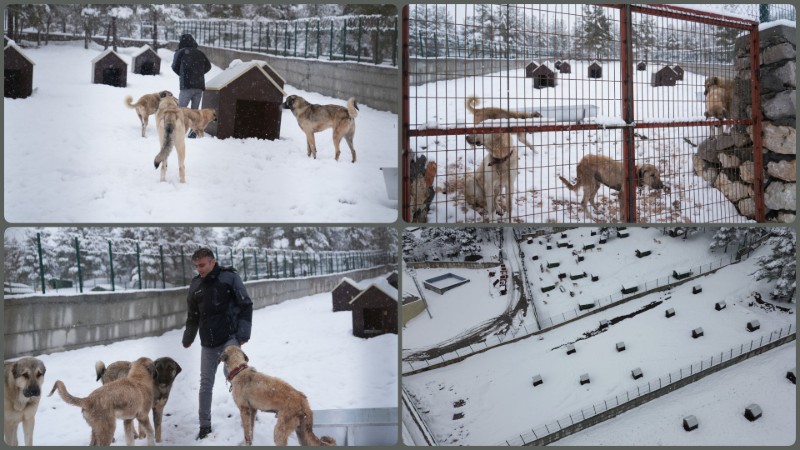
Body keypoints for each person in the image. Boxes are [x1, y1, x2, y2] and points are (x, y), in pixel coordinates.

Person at [182, 248, 252, 440]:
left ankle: (249, 413)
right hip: (208, 342)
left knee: (237, 376)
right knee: (205, 384)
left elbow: (246, 304)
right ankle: (205, 426)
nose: (199, 269)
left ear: (213, 262)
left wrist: (243, 334)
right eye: (196, 266)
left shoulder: (229, 278)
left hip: (230, 337)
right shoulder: (195, 284)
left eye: (202, 265)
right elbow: (193, 315)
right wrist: (188, 337)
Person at [171, 33, 211, 138]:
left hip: (187, 85)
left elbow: (174, 66)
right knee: (195, 112)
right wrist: (199, 73)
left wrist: (183, 74)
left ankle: (178, 131)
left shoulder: (181, 52)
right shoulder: (200, 53)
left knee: (181, 110)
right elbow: (209, 66)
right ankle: (193, 132)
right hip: (199, 86)